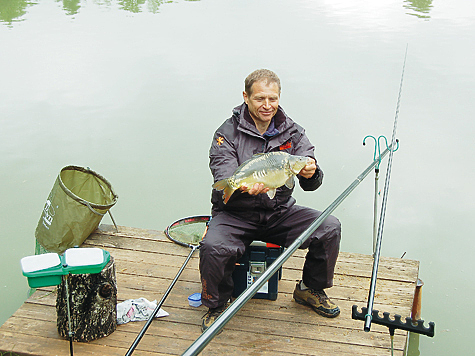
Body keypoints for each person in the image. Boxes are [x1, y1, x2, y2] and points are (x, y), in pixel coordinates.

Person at [199, 69, 341, 332]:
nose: (267, 106)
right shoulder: (226, 134)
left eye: (273, 99)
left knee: (329, 226)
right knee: (213, 246)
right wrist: (243, 188)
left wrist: (312, 172)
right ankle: (216, 305)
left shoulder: (293, 132)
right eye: (260, 99)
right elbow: (223, 175)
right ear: (246, 97)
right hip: (235, 214)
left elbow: (310, 178)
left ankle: (310, 289)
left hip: (279, 211)